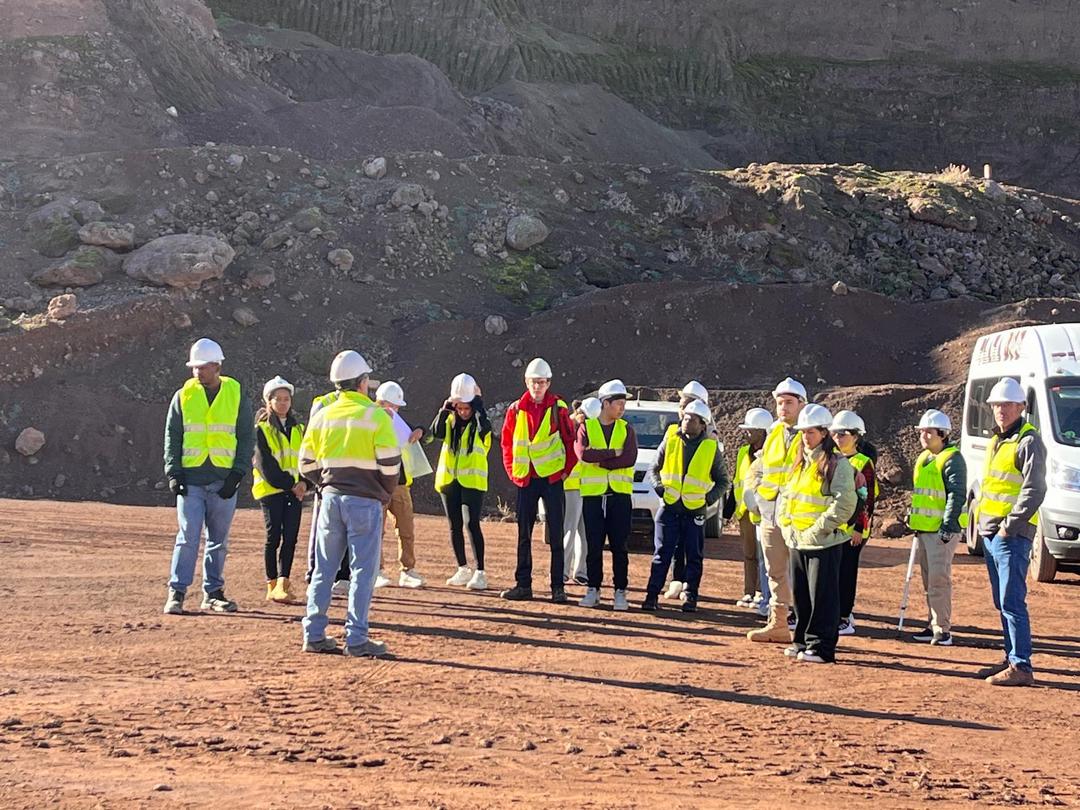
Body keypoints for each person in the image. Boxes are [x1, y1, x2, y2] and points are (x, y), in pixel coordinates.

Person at [300, 350, 400, 657]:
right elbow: (390, 466)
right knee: (362, 571)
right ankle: (356, 639)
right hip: (365, 502)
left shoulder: (322, 415)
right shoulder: (375, 416)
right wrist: (382, 493)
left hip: (330, 500)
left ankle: (314, 634)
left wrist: (327, 483)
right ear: (362, 382)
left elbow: (305, 464)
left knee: (324, 570)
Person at [163, 338, 254, 615]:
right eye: (195, 368)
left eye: (202, 367)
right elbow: (173, 435)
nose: (197, 372)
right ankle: (177, 592)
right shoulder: (183, 395)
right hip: (191, 481)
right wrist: (173, 472)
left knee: (218, 540)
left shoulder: (236, 394)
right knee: (188, 536)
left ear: (217, 366)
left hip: (222, 480)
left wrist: (237, 474)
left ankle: (213, 592)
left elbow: (246, 436)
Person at [975, 377, 1046, 686]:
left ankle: (1021, 665)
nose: (1001, 410)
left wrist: (1009, 527)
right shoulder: (998, 439)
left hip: (1010, 536)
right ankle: (1011, 656)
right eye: (997, 405)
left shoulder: (1028, 440)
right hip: (992, 533)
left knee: (1012, 601)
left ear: (1021, 407)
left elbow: (1034, 489)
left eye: (1007, 404)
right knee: (1001, 602)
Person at [778, 404, 857, 664]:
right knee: (801, 596)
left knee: (822, 596)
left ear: (824, 433)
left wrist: (818, 529)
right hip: (798, 540)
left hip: (824, 543)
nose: (805, 437)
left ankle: (822, 647)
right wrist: (786, 524)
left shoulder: (837, 464)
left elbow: (844, 503)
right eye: (802, 432)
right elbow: (788, 497)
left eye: (810, 432)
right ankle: (801, 640)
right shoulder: (800, 462)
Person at [500, 358, 577, 603]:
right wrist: (514, 472)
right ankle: (523, 585)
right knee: (524, 535)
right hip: (526, 480)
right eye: (534, 382)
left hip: (552, 479)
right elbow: (507, 443)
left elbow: (570, 441)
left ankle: (557, 587)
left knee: (556, 534)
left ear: (548, 383)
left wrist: (564, 472)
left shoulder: (559, 408)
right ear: (526, 382)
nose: (537, 386)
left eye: (541, 382)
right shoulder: (515, 410)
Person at [643, 399, 727, 613]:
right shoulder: (671, 439)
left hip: (694, 511)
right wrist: (659, 488)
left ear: (702, 424)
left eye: (692, 419)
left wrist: (708, 500)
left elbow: (723, 481)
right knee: (662, 553)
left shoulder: (710, 448)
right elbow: (654, 468)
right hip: (669, 507)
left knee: (694, 555)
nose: (686, 421)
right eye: (685, 417)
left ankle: (690, 596)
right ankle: (652, 595)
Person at [747, 377, 807, 642]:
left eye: (789, 402)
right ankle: (779, 624)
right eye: (780, 402)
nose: (783, 408)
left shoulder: (811, 433)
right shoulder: (774, 433)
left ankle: (805, 626)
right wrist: (755, 495)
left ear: (802, 404)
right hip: (771, 514)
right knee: (775, 572)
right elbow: (758, 467)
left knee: (803, 573)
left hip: (800, 518)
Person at [907, 409, 967, 647]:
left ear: (942, 434)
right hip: (924, 529)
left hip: (941, 532)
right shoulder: (924, 459)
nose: (923, 436)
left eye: (928, 432)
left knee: (938, 580)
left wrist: (948, 526)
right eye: (921, 431)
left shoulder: (952, 459)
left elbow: (957, 494)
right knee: (928, 580)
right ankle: (932, 623)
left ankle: (943, 629)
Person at [576, 381, 638, 611]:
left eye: (623, 404)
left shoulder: (626, 429)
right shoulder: (587, 427)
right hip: (593, 495)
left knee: (619, 545)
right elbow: (583, 454)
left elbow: (629, 458)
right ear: (605, 403)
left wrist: (600, 459)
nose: (622, 408)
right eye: (618, 404)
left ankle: (620, 591)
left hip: (619, 495)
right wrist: (612, 454)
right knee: (593, 544)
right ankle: (593, 589)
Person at [432, 373, 492, 590]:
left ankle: (480, 572)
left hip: (472, 481)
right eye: (460, 408)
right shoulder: (449, 420)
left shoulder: (479, 423)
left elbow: (485, 427)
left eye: (467, 408)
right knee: (454, 525)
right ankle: (462, 568)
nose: (464, 412)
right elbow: (435, 433)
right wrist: (444, 409)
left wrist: (478, 404)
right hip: (449, 480)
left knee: (471, 523)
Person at [253, 375, 307, 605]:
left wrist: (305, 483)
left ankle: (284, 583)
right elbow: (266, 465)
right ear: (269, 402)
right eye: (278, 399)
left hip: (295, 492)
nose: (283, 403)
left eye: (286, 399)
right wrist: (292, 484)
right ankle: (272, 584)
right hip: (271, 491)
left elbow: (307, 458)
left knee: (291, 537)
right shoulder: (261, 430)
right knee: (273, 536)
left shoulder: (300, 429)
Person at [661, 380, 712, 602]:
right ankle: (676, 581)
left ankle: (689, 587)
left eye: (685, 404)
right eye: (681, 405)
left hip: (694, 503)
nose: (681, 409)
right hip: (673, 499)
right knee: (672, 545)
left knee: (691, 547)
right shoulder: (674, 431)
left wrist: (706, 499)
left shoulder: (708, 434)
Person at [830, 409, 878, 636]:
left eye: (843, 434)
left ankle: (845, 617)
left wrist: (859, 527)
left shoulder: (863, 462)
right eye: (835, 434)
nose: (838, 438)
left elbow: (866, 499)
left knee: (847, 572)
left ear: (856, 436)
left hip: (853, 530)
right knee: (834, 572)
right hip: (835, 527)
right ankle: (836, 611)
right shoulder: (833, 459)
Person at [374, 381, 426, 589]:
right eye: (392, 406)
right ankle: (376, 571)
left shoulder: (398, 423)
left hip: (400, 484)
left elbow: (425, 432)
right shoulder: (369, 423)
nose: (395, 411)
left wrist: (420, 430)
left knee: (406, 529)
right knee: (375, 530)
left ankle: (408, 570)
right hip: (376, 484)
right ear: (380, 403)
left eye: (396, 407)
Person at [733, 408, 771, 608]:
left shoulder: (772, 453)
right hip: (745, 512)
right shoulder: (742, 453)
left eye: (750, 430)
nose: (746, 434)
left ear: (762, 431)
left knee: (764, 555)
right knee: (749, 554)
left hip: (764, 512)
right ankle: (749, 591)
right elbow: (737, 482)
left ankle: (760, 592)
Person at [563, 397, 601, 586]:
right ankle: (562, 570)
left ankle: (581, 571)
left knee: (585, 532)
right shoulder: (568, 427)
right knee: (569, 529)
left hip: (588, 486)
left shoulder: (592, 428)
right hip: (571, 485)